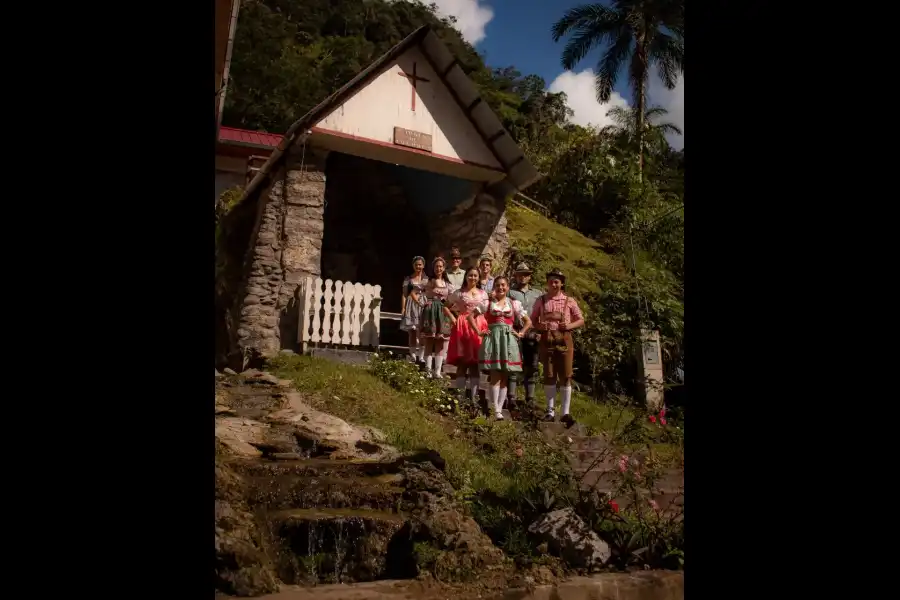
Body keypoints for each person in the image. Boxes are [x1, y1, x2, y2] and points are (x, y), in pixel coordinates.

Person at [471, 276, 531, 420]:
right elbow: (470, 317)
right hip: (494, 339)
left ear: (508, 287)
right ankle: (496, 408)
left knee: (505, 375)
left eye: (503, 285)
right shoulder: (488, 303)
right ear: (494, 288)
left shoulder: (513, 303)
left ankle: (499, 406)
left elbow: (528, 321)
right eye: (498, 285)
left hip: (508, 340)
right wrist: (479, 331)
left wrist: (521, 333)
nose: (501, 288)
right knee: (496, 374)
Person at [530, 268, 585, 426]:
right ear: (547, 283)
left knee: (566, 375)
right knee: (549, 374)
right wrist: (541, 326)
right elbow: (533, 321)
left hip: (565, 340)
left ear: (562, 284)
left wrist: (568, 325)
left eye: (556, 281)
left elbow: (581, 320)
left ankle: (565, 413)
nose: (553, 284)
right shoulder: (541, 300)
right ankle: (550, 411)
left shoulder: (570, 301)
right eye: (551, 281)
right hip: (547, 340)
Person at [447, 267, 489, 407]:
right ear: (466, 277)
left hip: (479, 326)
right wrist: (453, 318)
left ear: (479, 278)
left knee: (475, 363)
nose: (473, 278)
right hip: (463, 326)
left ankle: (474, 397)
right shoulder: (459, 293)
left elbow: (486, 310)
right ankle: (459, 396)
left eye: (475, 276)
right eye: (470, 275)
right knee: (463, 362)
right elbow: (445, 305)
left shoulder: (483, 294)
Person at [507, 262, 543, 410]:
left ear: (530, 276)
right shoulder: (510, 292)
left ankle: (530, 398)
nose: (523, 277)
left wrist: (540, 332)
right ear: (516, 275)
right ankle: (511, 397)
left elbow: (542, 313)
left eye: (526, 274)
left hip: (533, 332)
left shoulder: (538, 294)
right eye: (520, 274)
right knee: (514, 364)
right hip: (515, 330)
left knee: (532, 365)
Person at [419, 257, 455, 379]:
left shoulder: (448, 284)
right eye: (436, 266)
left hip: (443, 312)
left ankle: (437, 371)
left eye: (440, 266)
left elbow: (453, 299)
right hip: (430, 312)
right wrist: (423, 302)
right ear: (433, 268)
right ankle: (428, 371)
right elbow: (415, 292)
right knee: (429, 341)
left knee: (440, 342)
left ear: (444, 268)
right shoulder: (428, 281)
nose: (438, 268)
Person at [399, 256, 429, 365]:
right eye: (416, 265)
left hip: (422, 305)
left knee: (422, 332)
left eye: (420, 264)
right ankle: (412, 355)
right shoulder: (408, 279)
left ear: (423, 265)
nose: (418, 267)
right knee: (412, 331)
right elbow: (404, 294)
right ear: (413, 266)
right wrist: (403, 307)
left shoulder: (427, 279)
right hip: (411, 305)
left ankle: (421, 356)